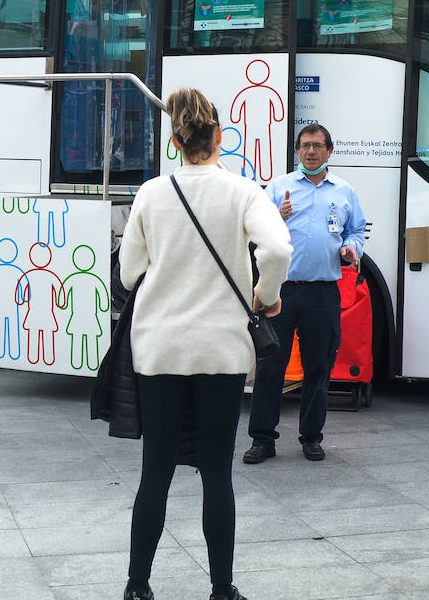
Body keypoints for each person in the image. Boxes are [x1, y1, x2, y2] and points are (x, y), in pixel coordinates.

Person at [118, 88, 291, 600]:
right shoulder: (243, 192)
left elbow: (129, 274)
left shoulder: (152, 192)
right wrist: (265, 296)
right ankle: (221, 589)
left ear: (175, 140)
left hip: (161, 348)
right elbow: (278, 247)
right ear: (218, 136)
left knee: (156, 472)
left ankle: (137, 587)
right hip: (221, 350)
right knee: (217, 470)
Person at [244, 123, 365, 464]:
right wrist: (275, 219)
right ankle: (262, 440)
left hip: (323, 294)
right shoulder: (278, 188)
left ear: (329, 151)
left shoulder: (344, 192)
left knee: (318, 368)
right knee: (270, 368)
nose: (311, 151)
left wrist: (351, 249)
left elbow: (356, 229)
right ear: (296, 151)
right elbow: (254, 234)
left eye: (317, 145)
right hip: (279, 292)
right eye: (305, 146)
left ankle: (311, 437)